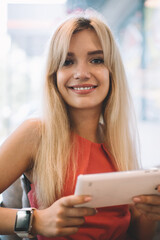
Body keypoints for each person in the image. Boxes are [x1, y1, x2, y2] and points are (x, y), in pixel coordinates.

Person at [0, 12, 160, 240]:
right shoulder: (36, 133)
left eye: (96, 60)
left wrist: (151, 213)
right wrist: (36, 221)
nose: (82, 74)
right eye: (67, 61)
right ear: (54, 74)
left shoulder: (118, 143)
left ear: (112, 71)